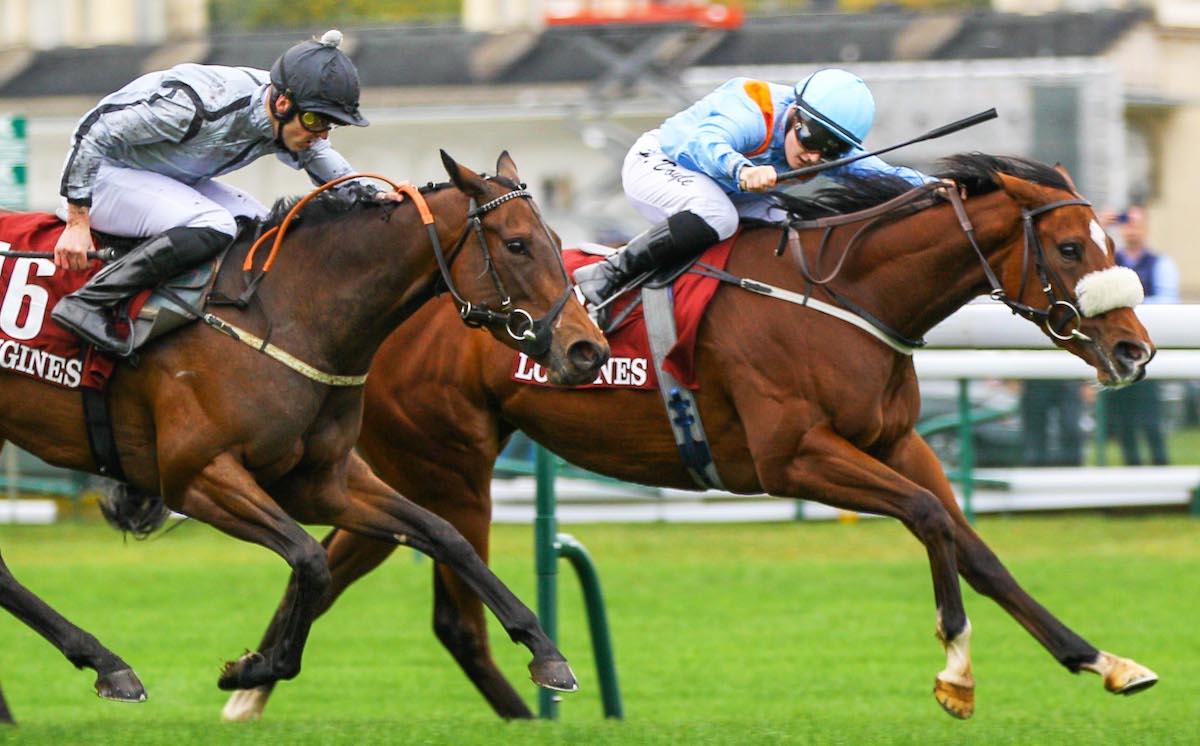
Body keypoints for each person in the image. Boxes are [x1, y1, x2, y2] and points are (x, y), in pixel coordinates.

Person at [50, 29, 402, 354]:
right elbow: (93, 133)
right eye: (316, 121)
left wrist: (376, 196)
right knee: (216, 223)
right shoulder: (197, 105)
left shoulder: (286, 113)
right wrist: (78, 223)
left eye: (332, 124)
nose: (322, 133)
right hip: (103, 175)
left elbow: (326, 162)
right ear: (282, 104)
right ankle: (89, 302)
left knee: (262, 227)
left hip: (164, 177)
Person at [574, 68, 933, 325]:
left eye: (833, 149)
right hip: (660, 163)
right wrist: (741, 170)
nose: (816, 156)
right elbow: (705, 143)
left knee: (787, 230)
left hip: (720, 188)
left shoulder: (820, 147)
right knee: (719, 217)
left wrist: (945, 187)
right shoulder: (754, 109)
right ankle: (607, 274)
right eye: (812, 140)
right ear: (795, 115)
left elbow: (883, 172)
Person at [1100, 206, 1179, 465]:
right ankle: (1133, 476)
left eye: (1136, 223)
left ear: (1146, 227)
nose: (1131, 229)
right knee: (1123, 423)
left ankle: (1160, 470)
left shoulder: (1161, 263)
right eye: (1127, 223)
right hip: (1117, 350)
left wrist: (1124, 309)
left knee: (1151, 419)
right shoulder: (1110, 261)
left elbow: (1168, 302)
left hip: (1146, 352)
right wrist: (1100, 228)